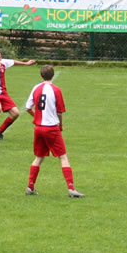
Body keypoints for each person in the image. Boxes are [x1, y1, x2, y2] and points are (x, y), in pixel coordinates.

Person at [24, 65, 84, 198]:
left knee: (39, 157)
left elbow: (28, 107)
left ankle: (30, 186)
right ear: (52, 75)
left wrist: (37, 117)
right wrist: (60, 126)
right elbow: (59, 112)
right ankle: (71, 188)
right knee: (63, 156)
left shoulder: (36, 88)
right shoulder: (56, 90)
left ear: (41, 76)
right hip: (51, 128)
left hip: (38, 128)